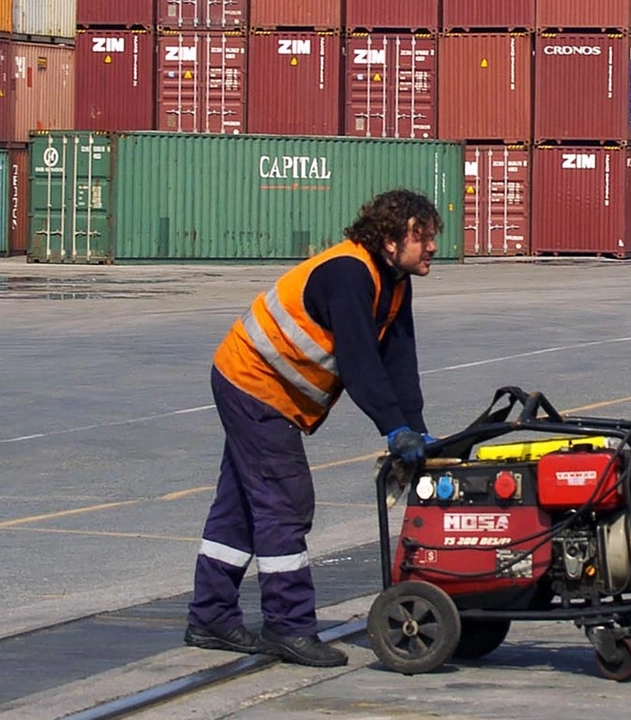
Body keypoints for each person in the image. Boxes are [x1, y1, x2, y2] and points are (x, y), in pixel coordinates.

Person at [185, 189, 442, 668]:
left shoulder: (396, 282)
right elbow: (360, 361)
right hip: (253, 384)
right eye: (421, 236)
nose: (432, 247)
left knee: (241, 504)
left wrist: (416, 431)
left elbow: (399, 363)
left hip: (267, 390)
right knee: (285, 501)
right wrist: (392, 430)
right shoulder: (348, 274)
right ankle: (288, 625)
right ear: (390, 240)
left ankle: (211, 615)